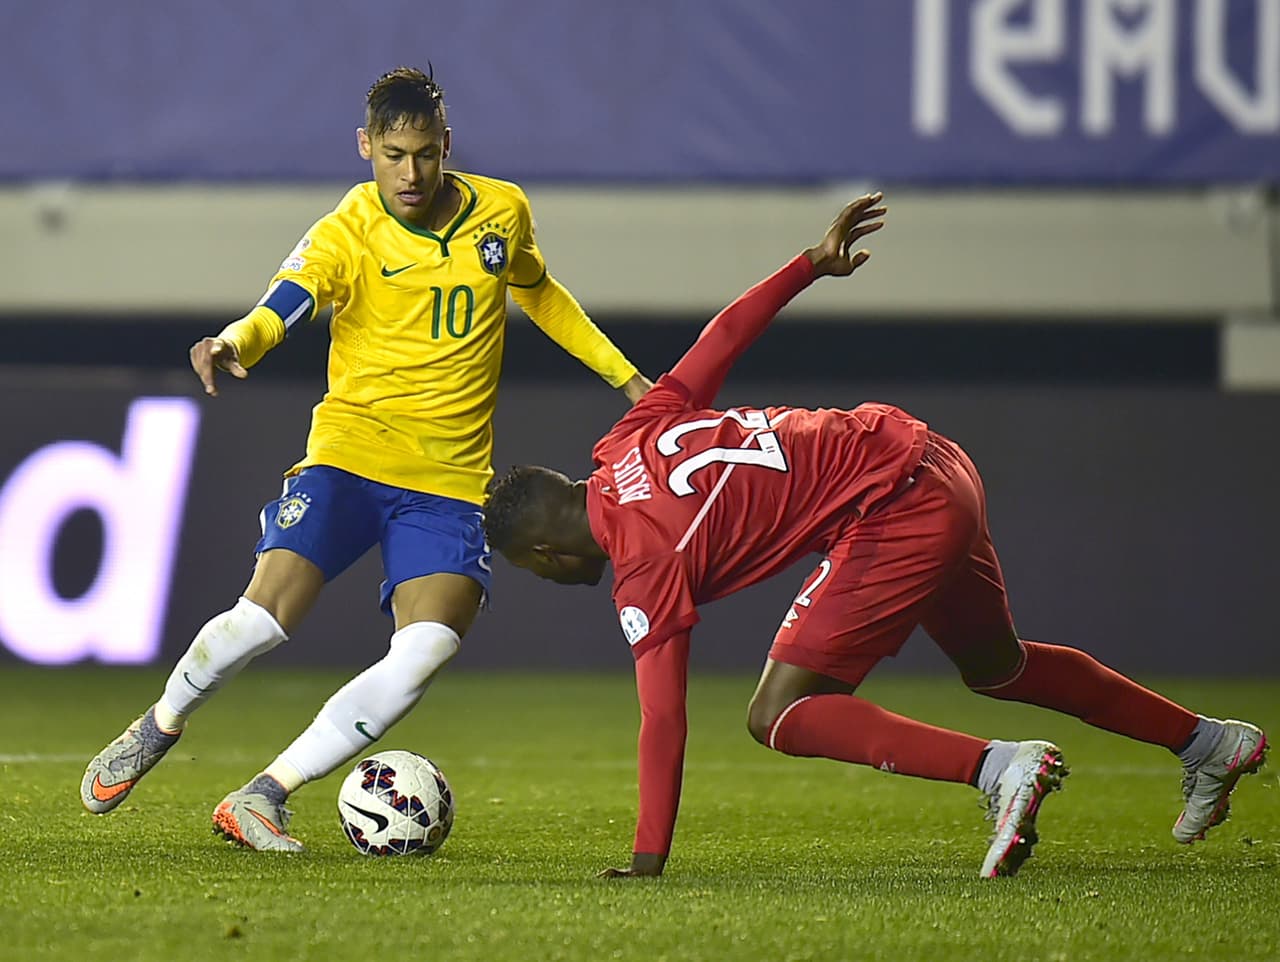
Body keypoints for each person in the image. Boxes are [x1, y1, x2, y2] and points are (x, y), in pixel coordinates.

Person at [482, 193, 1269, 879]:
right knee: (999, 666)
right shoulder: (629, 434)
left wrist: (650, 856)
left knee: (777, 715)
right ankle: (1205, 743)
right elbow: (720, 338)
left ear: (546, 555)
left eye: (534, 571)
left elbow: (663, 719)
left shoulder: (643, 568)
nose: (547, 580)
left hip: (893, 508)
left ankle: (1000, 768)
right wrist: (807, 265)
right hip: (935, 459)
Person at [80, 66, 651, 851]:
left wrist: (629, 381)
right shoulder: (348, 228)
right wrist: (235, 341)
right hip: (349, 455)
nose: (409, 173)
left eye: (423, 154)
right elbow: (291, 296)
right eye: (392, 155)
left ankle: (263, 795)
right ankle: (161, 722)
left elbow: (540, 291)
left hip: (450, 484)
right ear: (365, 148)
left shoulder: (503, 211)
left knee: (426, 650)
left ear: (446, 145)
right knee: (257, 623)